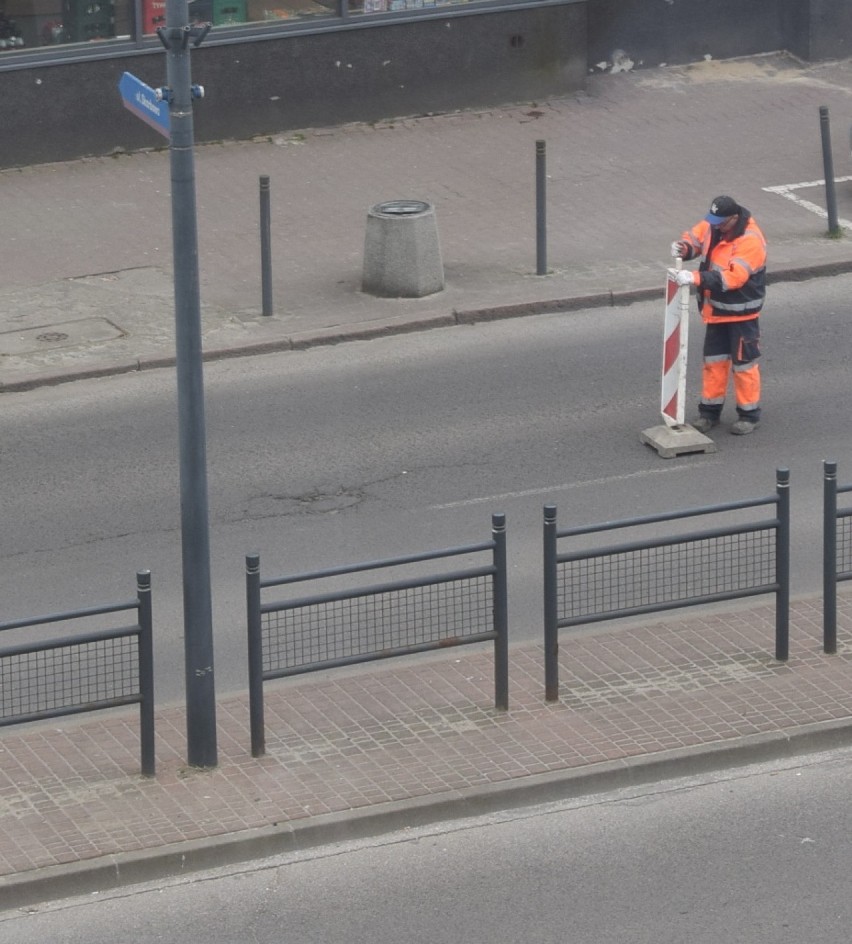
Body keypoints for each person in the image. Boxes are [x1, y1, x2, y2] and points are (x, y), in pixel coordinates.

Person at [671, 195, 767, 436]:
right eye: (713, 220)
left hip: (742, 315)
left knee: (744, 366)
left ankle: (749, 415)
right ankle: (709, 414)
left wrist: (696, 278)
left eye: (720, 222)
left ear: (734, 218)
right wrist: (684, 248)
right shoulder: (715, 225)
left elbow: (732, 278)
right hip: (716, 312)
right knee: (713, 365)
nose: (715, 226)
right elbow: (695, 238)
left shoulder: (750, 240)